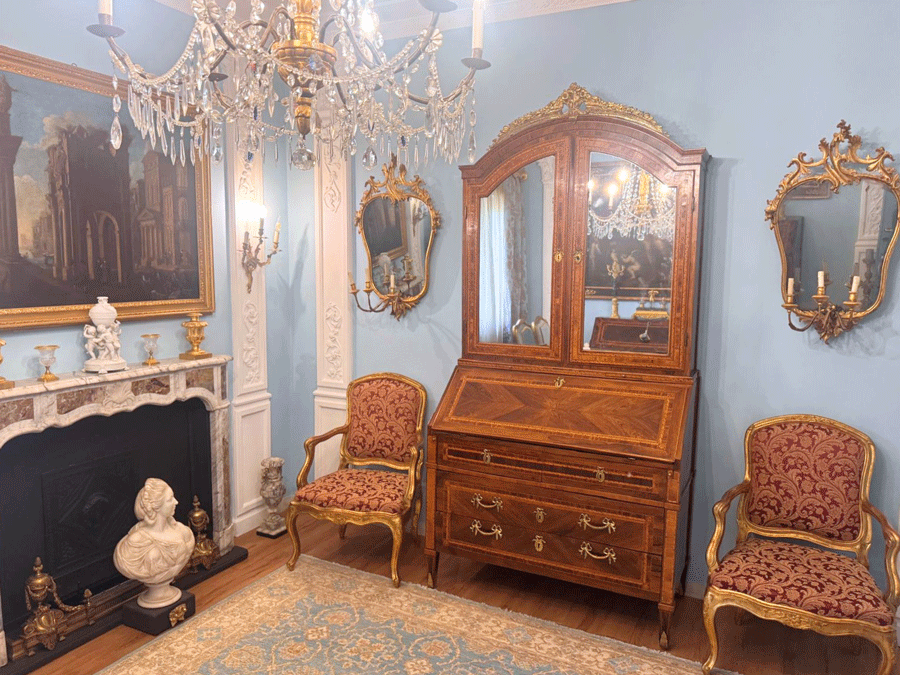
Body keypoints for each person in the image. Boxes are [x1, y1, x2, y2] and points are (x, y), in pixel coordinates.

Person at [114, 478, 194, 608]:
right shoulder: (135, 542)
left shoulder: (183, 532)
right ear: (156, 506)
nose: (176, 502)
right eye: (170, 499)